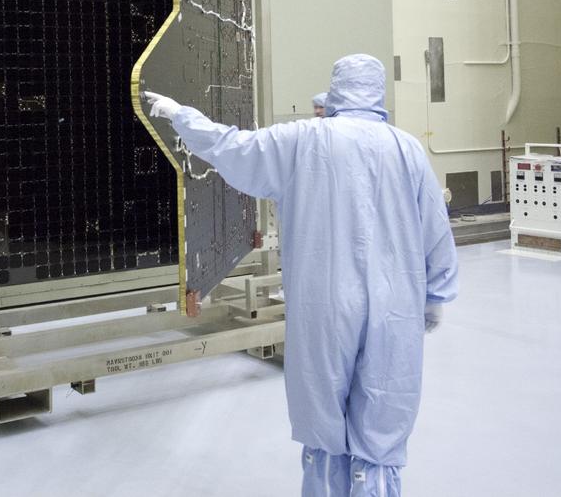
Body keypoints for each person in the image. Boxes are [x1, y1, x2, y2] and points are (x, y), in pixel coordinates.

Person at [143, 54, 458, 497]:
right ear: (378, 90)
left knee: (323, 418)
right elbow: (435, 228)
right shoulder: (406, 149)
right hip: (395, 308)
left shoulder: (301, 141)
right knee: (384, 416)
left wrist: (182, 116)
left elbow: (231, 146)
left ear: (336, 90)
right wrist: (436, 294)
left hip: (323, 304)